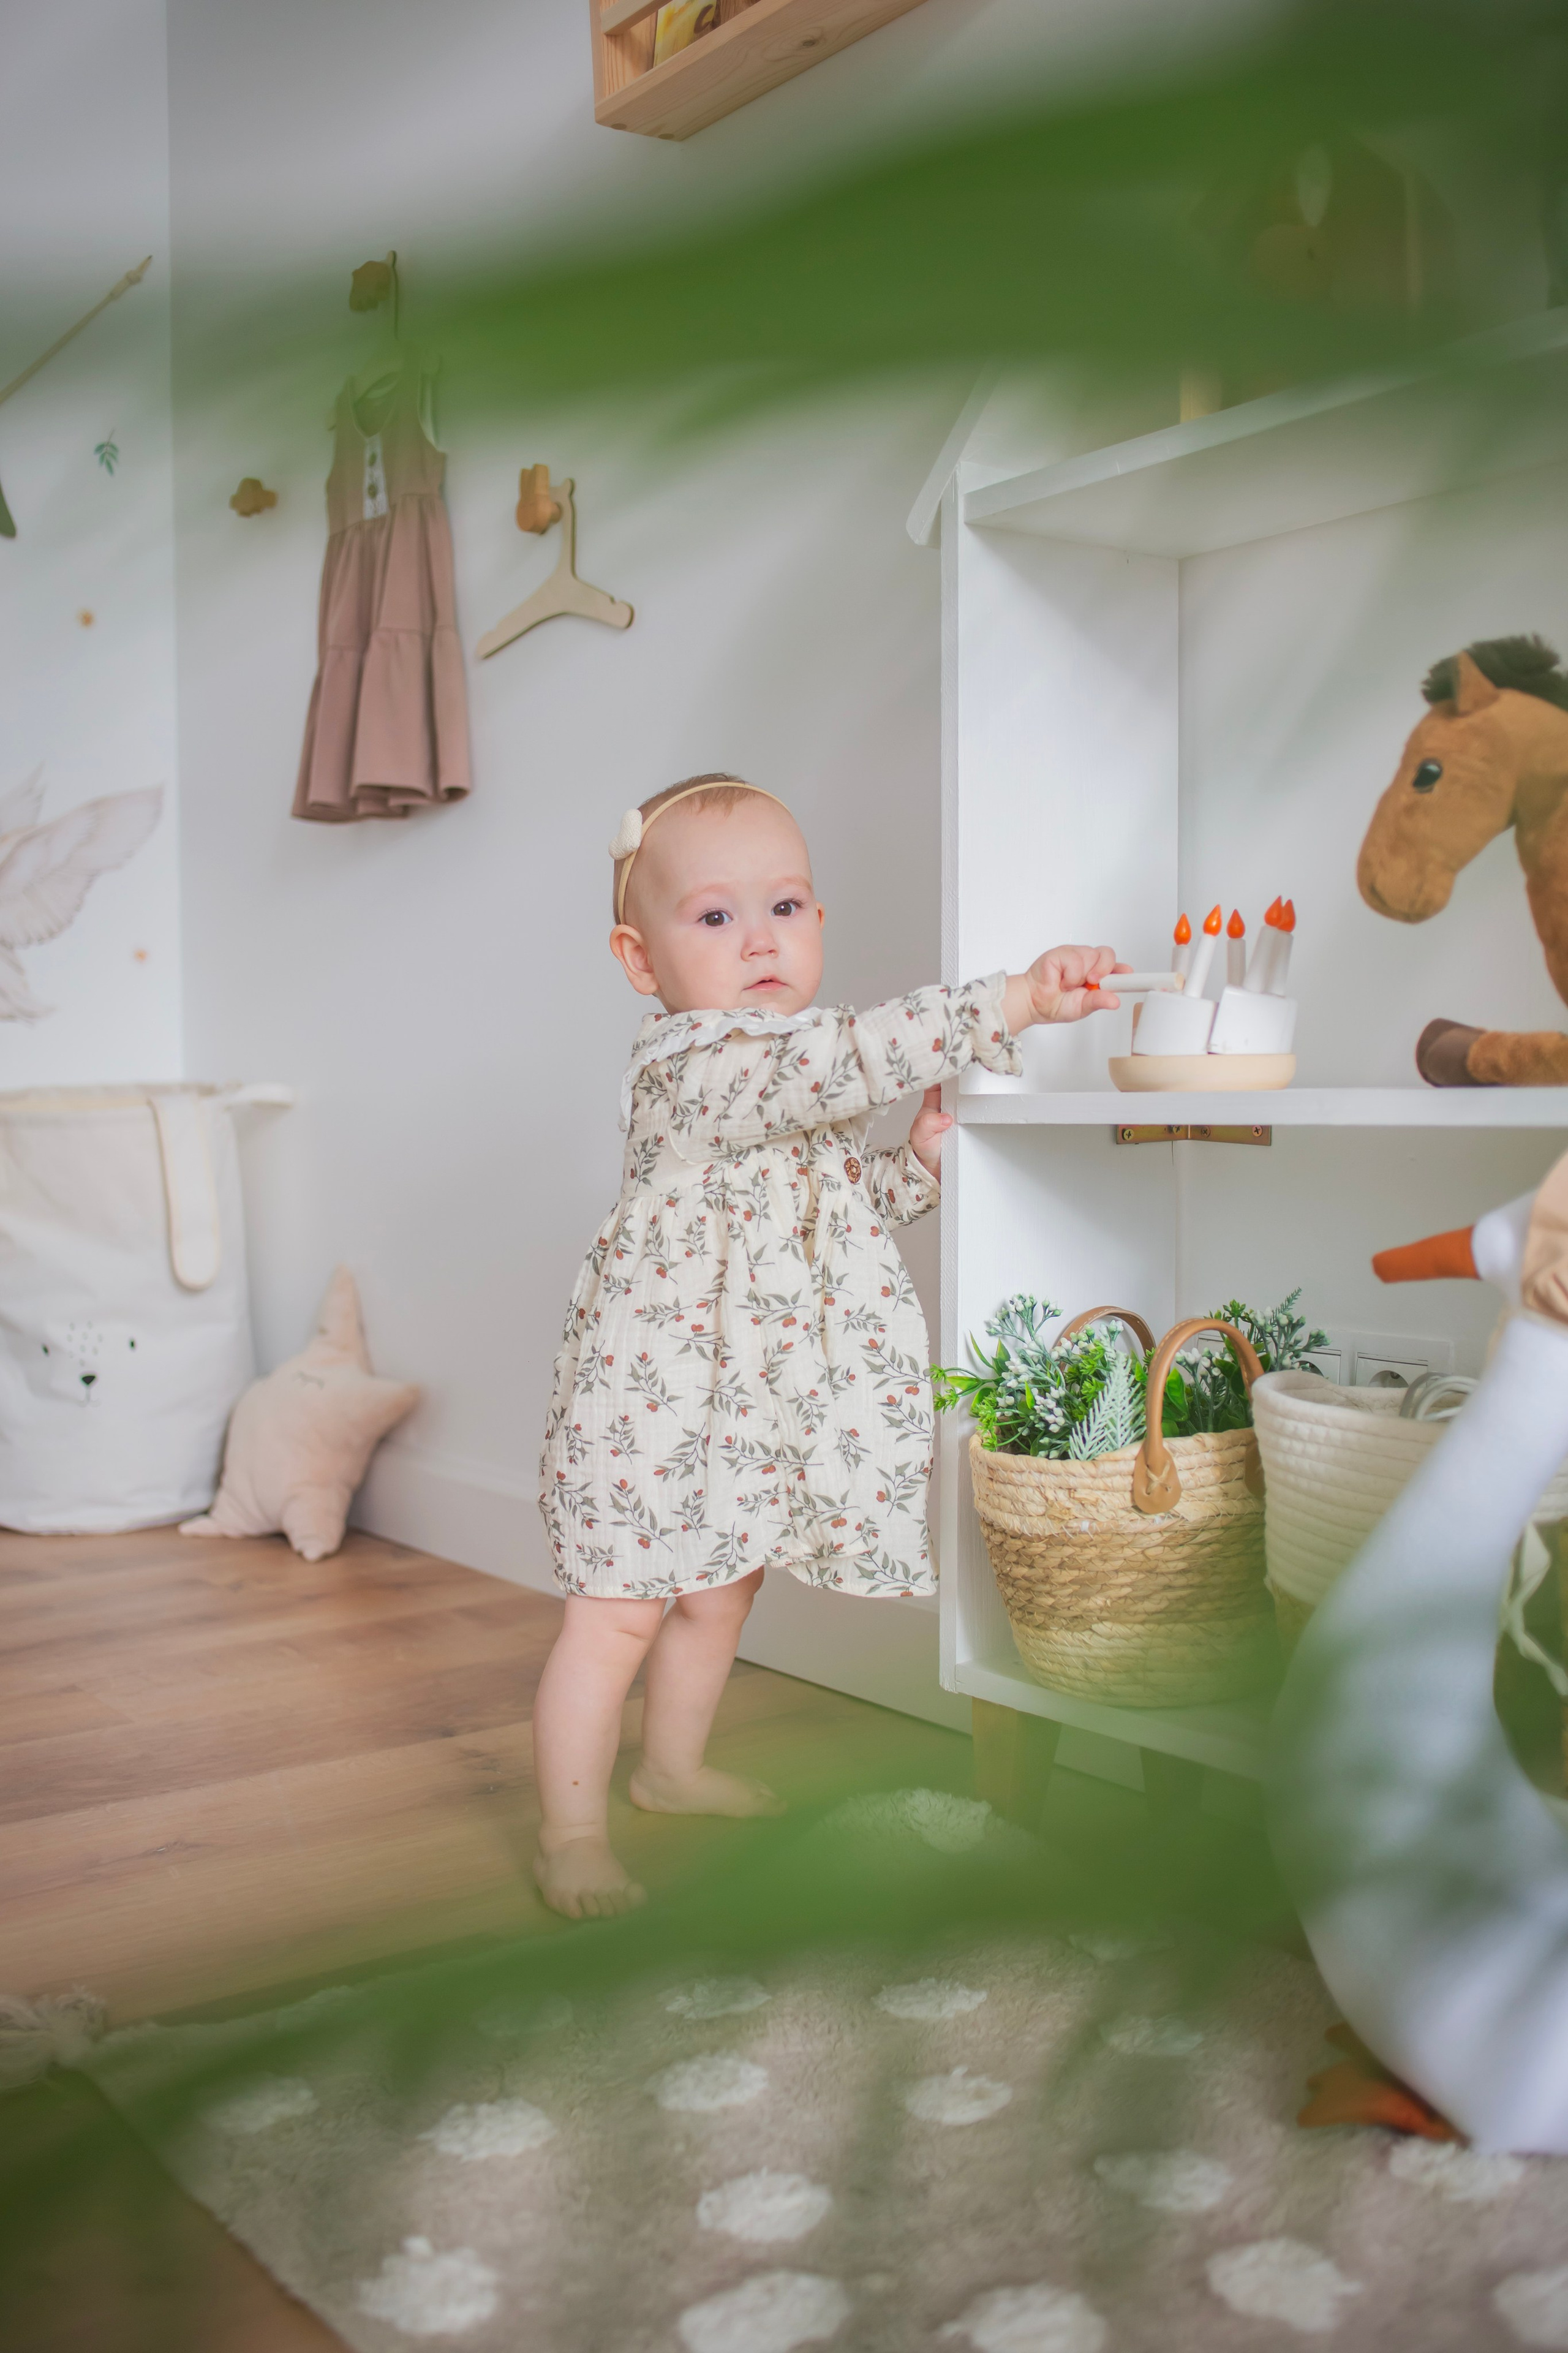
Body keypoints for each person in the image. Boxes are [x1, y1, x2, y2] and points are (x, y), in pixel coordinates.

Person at [533, 773, 1125, 1917]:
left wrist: (919, 1162)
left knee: (720, 1593)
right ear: (638, 958)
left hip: (740, 1403)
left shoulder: (796, 1073)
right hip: (650, 1404)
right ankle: (568, 1830)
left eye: (788, 907)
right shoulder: (693, 1067)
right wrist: (1011, 1000)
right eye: (715, 916)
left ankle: (671, 1768)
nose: (759, 939)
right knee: (617, 1612)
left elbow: (829, 1222)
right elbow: (849, 1055)